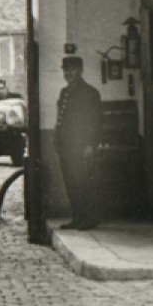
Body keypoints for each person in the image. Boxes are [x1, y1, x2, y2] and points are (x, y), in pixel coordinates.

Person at [55, 55, 103, 230]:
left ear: (81, 70)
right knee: (71, 183)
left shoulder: (90, 92)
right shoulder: (65, 92)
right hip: (66, 146)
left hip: (82, 146)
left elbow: (95, 120)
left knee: (84, 182)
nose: (69, 73)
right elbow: (61, 119)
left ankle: (89, 219)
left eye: (73, 69)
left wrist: (90, 144)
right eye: (66, 70)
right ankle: (77, 217)